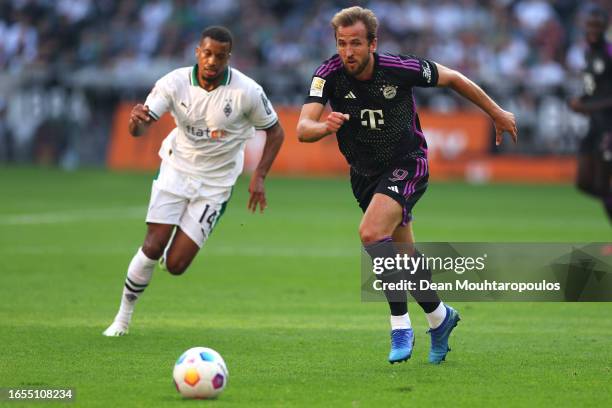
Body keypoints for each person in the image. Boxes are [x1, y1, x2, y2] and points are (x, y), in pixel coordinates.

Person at [296, 6, 517, 364]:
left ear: (372, 43)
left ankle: (399, 325)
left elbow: (454, 78)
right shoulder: (328, 74)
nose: (348, 52)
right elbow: (303, 128)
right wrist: (324, 126)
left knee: (370, 233)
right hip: (364, 174)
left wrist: (496, 112)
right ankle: (440, 318)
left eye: (355, 43)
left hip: (406, 163)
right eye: (341, 44)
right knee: (404, 259)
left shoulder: (399, 68)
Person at [103, 26, 285, 336]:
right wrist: (136, 125)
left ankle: (167, 257)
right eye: (208, 53)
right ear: (198, 52)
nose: (213, 61)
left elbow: (276, 131)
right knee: (152, 245)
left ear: (229, 57)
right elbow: (142, 126)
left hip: (216, 185)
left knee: (175, 265)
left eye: (220, 56)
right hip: (176, 169)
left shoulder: (247, 92)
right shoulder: (173, 83)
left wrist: (260, 176)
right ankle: (122, 319)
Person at [569, 6, 612, 222]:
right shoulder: (589, 53)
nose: (593, 29)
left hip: (609, 127)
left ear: (606, 27)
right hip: (595, 125)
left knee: (603, 184)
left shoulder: (609, 52)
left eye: (598, 25)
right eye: (590, 25)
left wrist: (588, 107)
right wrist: (580, 100)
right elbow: (593, 88)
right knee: (584, 183)